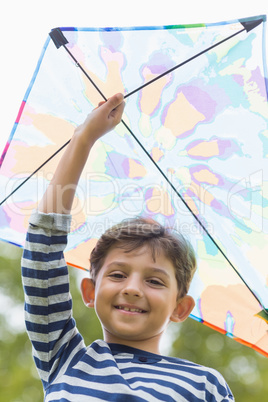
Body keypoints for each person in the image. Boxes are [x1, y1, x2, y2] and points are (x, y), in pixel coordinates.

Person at [21, 93, 234, 401]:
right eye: (118, 275)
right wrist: (83, 140)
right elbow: (42, 249)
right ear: (91, 292)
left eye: (155, 280)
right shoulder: (64, 359)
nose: (133, 288)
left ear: (180, 307)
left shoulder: (203, 384)